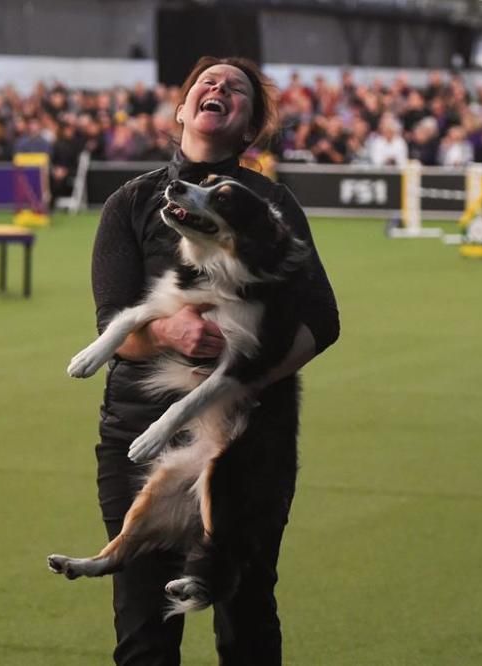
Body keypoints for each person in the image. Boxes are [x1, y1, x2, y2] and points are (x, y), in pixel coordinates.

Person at [86, 56, 339, 666]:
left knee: (246, 620)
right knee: (143, 631)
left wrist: (243, 376)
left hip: (248, 445)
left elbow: (322, 323)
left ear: (249, 127)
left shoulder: (272, 207)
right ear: (181, 108)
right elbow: (112, 328)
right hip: (138, 432)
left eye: (237, 89)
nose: (219, 88)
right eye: (207, 81)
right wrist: (170, 331)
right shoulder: (130, 202)